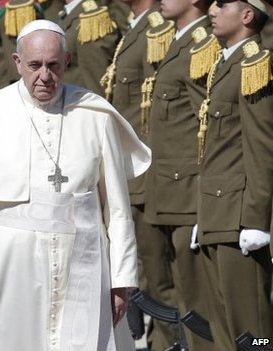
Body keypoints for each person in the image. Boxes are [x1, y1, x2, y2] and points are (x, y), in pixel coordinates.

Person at [0, 19, 150, 351]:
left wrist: (121, 281)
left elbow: (117, 211)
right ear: (17, 63)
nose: (44, 75)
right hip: (10, 273)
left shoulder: (95, 115)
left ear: (67, 62)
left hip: (84, 266)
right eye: (34, 65)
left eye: (53, 65)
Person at [195, 0, 273, 348]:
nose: (212, 9)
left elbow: (261, 146)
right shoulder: (225, 64)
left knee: (250, 333)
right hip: (216, 212)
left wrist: (257, 218)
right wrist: (203, 214)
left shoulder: (254, 64)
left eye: (223, 3)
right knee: (224, 333)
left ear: (247, 15)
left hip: (239, 217)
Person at [100, 2, 178, 349]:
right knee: (145, 275)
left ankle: (170, 342)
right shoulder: (139, 27)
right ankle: (160, 340)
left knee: (159, 278)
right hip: (130, 173)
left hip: (146, 175)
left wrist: (146, 175)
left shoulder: (156, 29)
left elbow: (157, 112)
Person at [141, 0, 217, 348]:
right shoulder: (178, 40)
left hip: (189, 191)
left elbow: (210, 125)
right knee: (175, 290)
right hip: (168, 189)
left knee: (197, 301)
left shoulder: (202, 43)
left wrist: (206, 195)